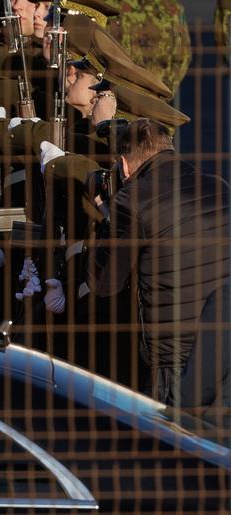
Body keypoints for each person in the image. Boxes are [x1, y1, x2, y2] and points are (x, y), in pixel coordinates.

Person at [88, 119, 230, 410]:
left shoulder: (134, 199)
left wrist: (107, 216)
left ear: (125, 166)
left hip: (174, 362)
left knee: (167, 448)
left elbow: (103, 281)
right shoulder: (220, 187)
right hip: (222, 350)